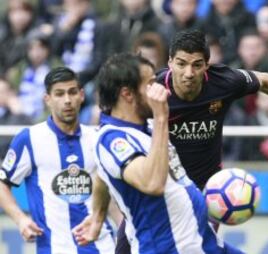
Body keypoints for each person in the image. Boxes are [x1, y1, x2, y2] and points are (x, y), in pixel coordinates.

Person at [73, 53, 245, 254]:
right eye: (150, 84)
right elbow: (152, 183)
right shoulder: (112, 140)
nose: (160, 90)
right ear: (127, 94)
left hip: (204, 243)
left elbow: (103, 175)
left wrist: (97, 215)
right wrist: (162, 116)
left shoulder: (147, 126)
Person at [157, 29, 268, 189]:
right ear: (170, 62)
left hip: (206, 186)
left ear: (206, 65)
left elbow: (266, 80)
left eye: (196, 65)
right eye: (181, 64)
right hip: (164, 185)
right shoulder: (152, 90)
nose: (189, 73)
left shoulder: (222, 82)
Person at [0, 67, 115, 253]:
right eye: (59, 94)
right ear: (47, 99)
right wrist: (20, 219)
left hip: (103, 246)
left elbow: (113, 191)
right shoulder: (29, 138)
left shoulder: (98, 138)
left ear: (82, 95)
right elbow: (2, 183)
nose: (67, 100)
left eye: (72, 92)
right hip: (54, 248)